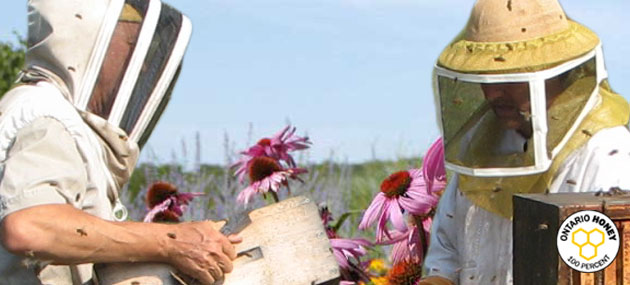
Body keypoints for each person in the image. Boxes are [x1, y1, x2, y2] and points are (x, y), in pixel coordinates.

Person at [0, 1, 239, 284]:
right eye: (130, 43)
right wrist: (172, 242)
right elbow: (29, 227)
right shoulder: (48, 116)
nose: (144, 65)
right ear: (87, 43)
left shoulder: (52, 116)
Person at [419, 0, 630, 284]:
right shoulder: (479, 149)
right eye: (485, 76)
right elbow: (447, 254)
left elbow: (603, 271)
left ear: (554, 70)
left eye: (509, 76)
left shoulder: (606, 157)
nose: (493, 93)